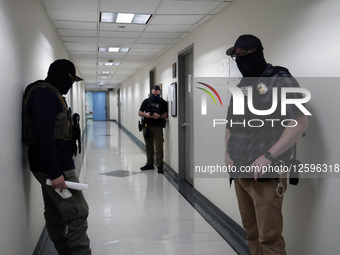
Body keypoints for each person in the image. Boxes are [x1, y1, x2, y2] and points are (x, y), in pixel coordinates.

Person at [224, 35, 308, 255]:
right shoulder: (242, 86)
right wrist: (227, 154)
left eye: (243, 54)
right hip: (240, 172)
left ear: (258, 52)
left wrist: (268, 156)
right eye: (236, 56)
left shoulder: (280, 79)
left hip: (267, 175)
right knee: (251, 233)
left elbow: (299, 123)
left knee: (269, 238)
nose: (239, 60)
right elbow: (230, 125)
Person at [22, 59, 91, 255]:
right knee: (78, 211)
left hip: (52, 165)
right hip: (55, 168)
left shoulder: (51, 93)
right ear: (60, 74)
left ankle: (65, 251)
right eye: (70, 78)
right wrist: (55, 172)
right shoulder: (44, 94)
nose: (71, 83)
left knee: (56, 214)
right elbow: (44, 135)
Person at [138, 85, 168, 174]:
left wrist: (159, 116)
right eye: (153, 94)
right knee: (148, 146)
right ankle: (149, 164)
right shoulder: (146, 101)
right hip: (147, 127)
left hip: (158, 127)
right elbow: (139, 112)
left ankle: (160, 165)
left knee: (159, 146)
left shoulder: (163, 103)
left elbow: (166, 115)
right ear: (151, 92)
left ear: (159, 93)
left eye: (156, 94)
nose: (155, 96)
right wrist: (146, 114)